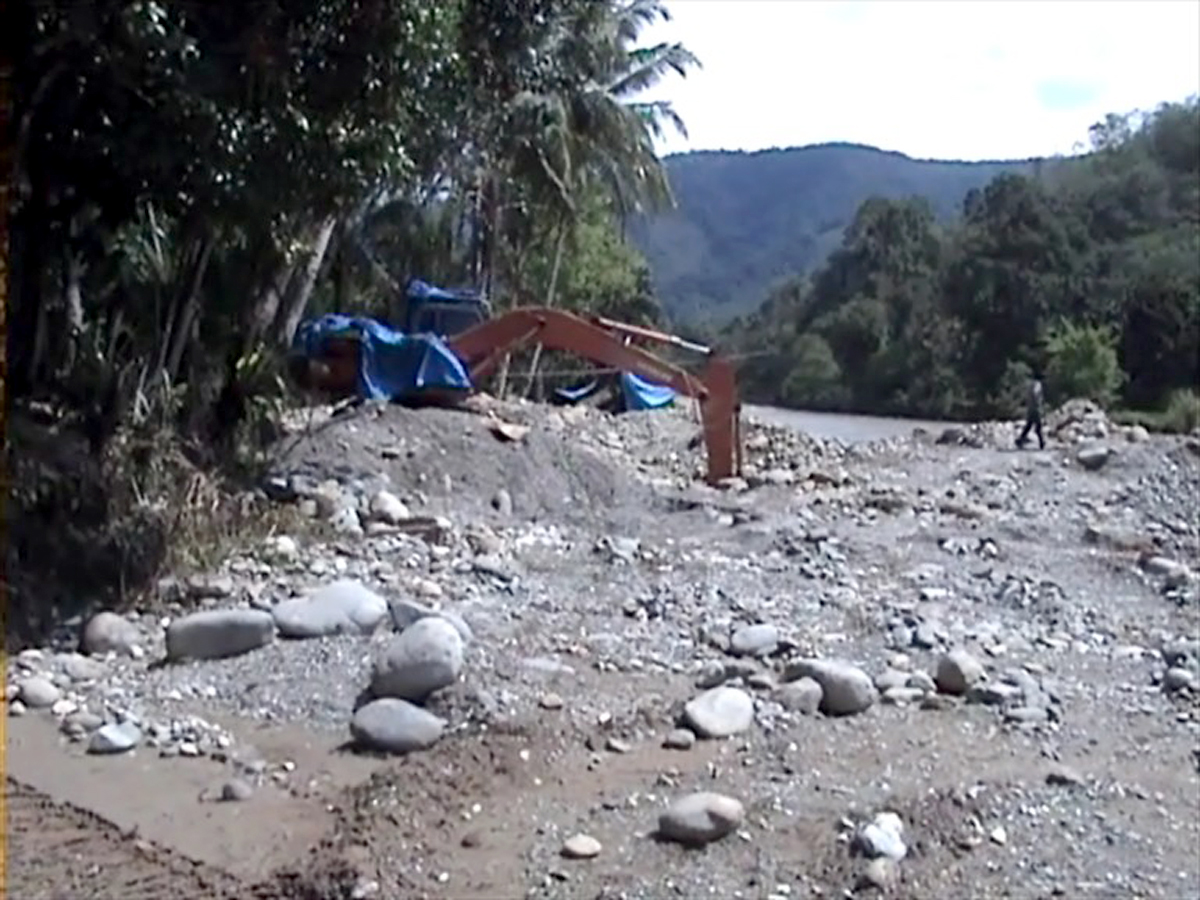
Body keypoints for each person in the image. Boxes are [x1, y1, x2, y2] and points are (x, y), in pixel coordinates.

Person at [1016, 375, 1046, 450]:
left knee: (1029, 424)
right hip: (1036, 408)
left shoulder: (1030, 384)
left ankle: (1021, 439)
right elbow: (1035, 393)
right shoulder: (1037, 384)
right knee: (1038, 425)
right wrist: (1038, 402)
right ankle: (1041, 443)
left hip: (1030, 407)